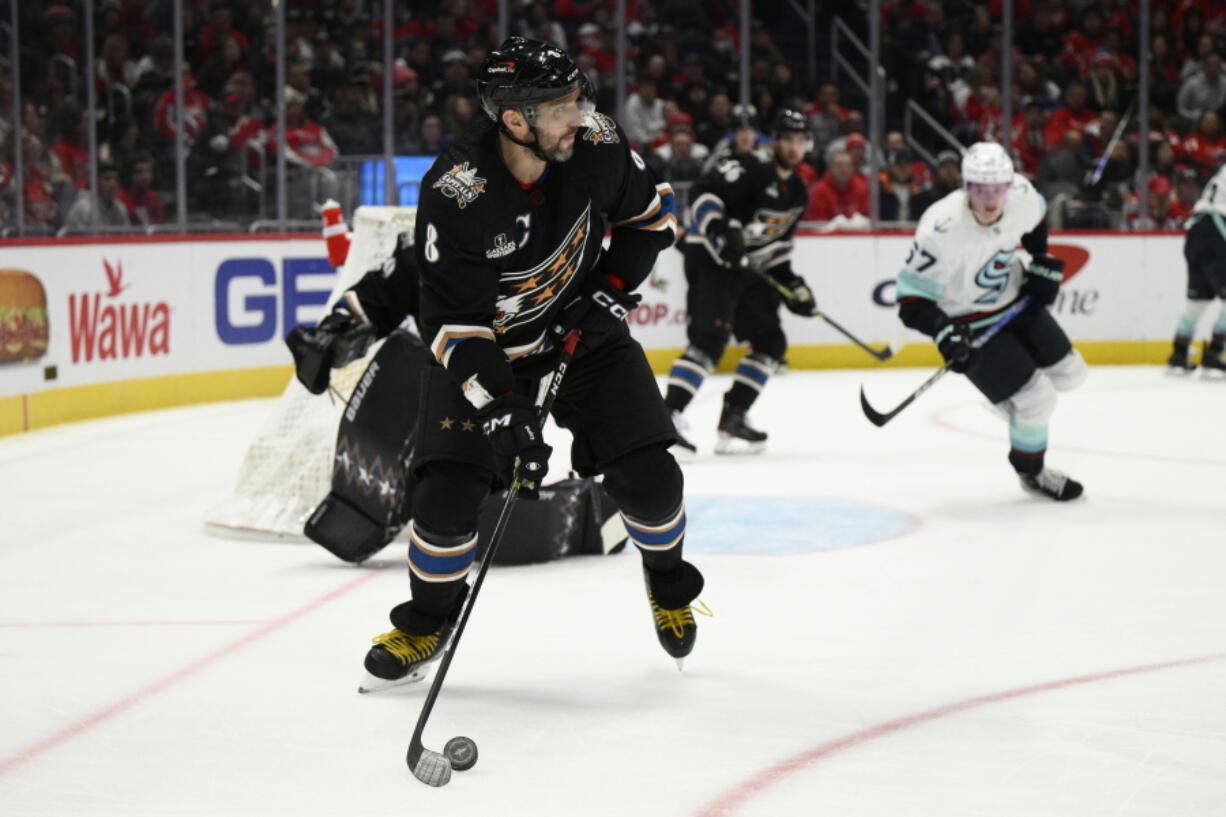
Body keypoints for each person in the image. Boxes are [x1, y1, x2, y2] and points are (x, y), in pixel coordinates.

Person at [359, 37, 705, 691]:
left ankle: (668, 580)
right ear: (514, 120)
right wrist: (505, 412)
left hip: (582, 338)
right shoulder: (457, 192)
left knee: (652, 481)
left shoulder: (597, 146)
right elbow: (452, 325)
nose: (579, 115)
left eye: (578, 98)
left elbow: (651, 222)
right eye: (560, 106)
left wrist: (608, 290)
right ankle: (426, 621)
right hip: (482, 357)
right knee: (444, 498)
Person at [895, 141, 1088, 501]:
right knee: (1038, 400)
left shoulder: (1023, 197)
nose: (989, 199)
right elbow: (909, 301)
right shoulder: (941, 229)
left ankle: (1009, 405)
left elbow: (1034, 223)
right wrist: (945, 335)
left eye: (997, 188)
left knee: (1072, 373)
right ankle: (1032, 472)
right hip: (969, 322)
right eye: (979, 189)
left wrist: (1040, 259)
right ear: (965, 187)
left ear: (1009, 185)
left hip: (1016, 303)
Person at [664, 109, 814, 455]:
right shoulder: (750, 168)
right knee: (710, 340)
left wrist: (795, 287)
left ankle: (734, 416)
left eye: (800, 141)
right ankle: (666, 416)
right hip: (711, 260)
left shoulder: (798, 192)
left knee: (771, 342)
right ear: (774, 141)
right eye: (787, 139)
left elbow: (776, 251)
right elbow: (703, 194)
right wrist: (718, 229)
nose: (794, 147)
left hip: (747, 268)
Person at [1166, 162, 1226, 373]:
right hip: (1218, 232)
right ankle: (1215, 351)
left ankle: (1179, 354)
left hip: (1197, 229)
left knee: (1197, 300)